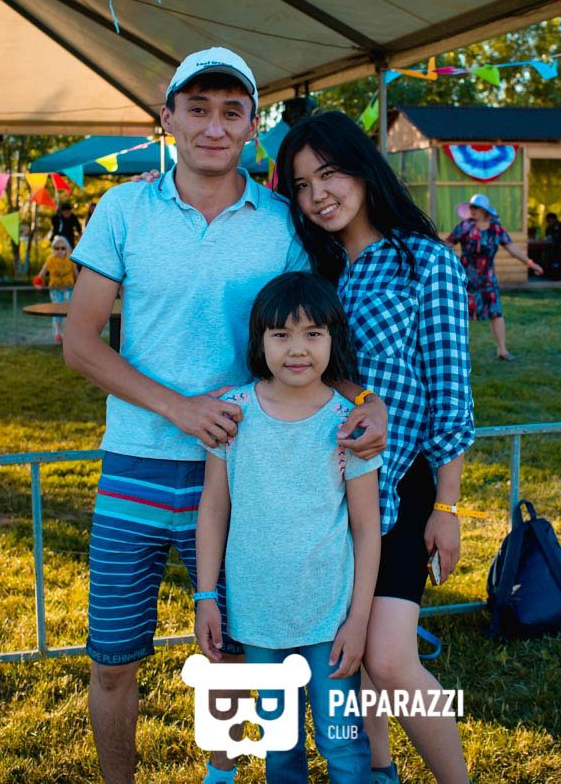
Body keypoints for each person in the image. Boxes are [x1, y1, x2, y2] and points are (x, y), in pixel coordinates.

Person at [61, 49, 387, 784]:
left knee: (236, 657)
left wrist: (373, 402)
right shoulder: (122, 210)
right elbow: (80, 344)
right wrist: (179, 408)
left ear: (253, 126)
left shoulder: (282, 223)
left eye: (232, 112)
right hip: (136, 464)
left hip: (250, 471)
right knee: (112, 659)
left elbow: (318, 332)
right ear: (168, 117)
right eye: (198, 109)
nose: (214, 127)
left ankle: (225, 774)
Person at [276, 111, 474, 784]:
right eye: (302, 186)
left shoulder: (427, 261)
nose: (318, 195)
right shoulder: (318, 270)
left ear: (363, 169)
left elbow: (452, 395)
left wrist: (447, 507)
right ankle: (379, 771)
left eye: (329, 174)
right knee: (351, 653)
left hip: (401, 484)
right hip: (324, 490)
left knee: (390, 658)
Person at [195, 271, 381, 783]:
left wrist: (359, 620)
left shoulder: (349, 424)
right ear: (260, 340)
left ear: (333, 339)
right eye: (281, 334)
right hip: (259, 616)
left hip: (331, 617)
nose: (297, 349)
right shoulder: (233, 416)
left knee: (342, 743)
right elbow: (213, 508)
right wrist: (205, 595)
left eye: (313, 333)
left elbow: (367, 528)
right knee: (280, 745)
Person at [447, 193, 542, 361]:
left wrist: (530, 263)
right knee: (460, 314)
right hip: (465, 280)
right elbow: (447, 245)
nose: (472, 210)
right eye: (471, 207)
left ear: (485, 211)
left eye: (476, 207)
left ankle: (502, 350)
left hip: (488, 279)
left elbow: (512, 248)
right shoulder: (464, 227)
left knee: (496, 313)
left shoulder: (496, 230)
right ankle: (455, 352)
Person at [34, 235, 77, 343]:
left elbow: (76, 275)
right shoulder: (50, 260)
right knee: (57, 311)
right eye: (57, 248)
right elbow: (41, 274)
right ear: (53, 249)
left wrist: (82, 286)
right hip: (55, 289)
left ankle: (66, 334)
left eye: (63, 248)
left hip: (68, 288)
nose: (60, 251)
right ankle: (57, 333)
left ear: (67, 249)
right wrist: (38, 284)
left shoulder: (71, 259)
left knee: (67, 311)